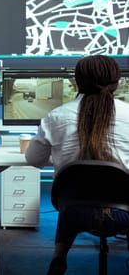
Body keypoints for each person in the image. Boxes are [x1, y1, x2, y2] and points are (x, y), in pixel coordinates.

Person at [25, 55, 129, 275]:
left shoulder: (55, 117)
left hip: (74, 211)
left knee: (76, 195)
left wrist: (63, 159)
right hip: (125, 214)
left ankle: (58, 259)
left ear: (76, 82)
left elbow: (33, 160)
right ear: (117, 82)